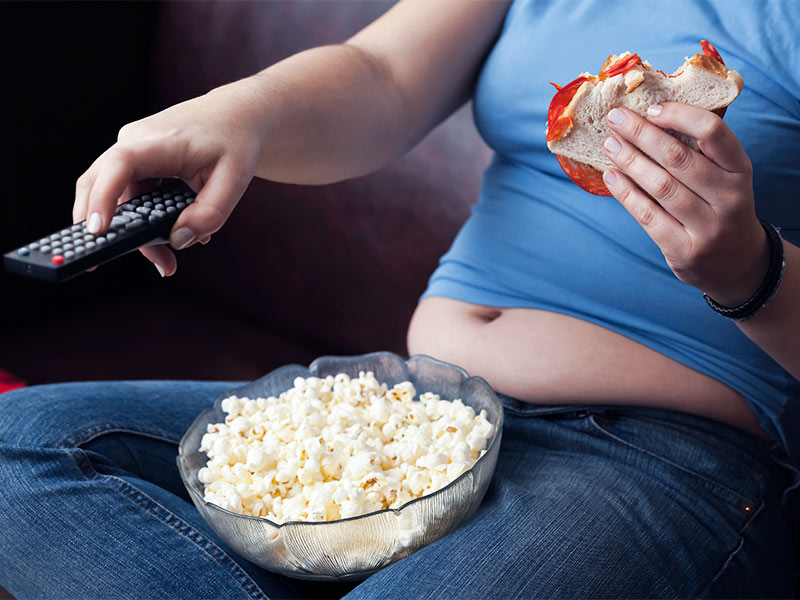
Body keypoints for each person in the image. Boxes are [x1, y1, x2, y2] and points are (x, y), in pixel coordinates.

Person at [1, 0, 798, 597]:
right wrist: (236, 116)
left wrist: (748, 272)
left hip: (654, 457)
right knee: (17, 447)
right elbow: (380, 76)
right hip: (411, 415)